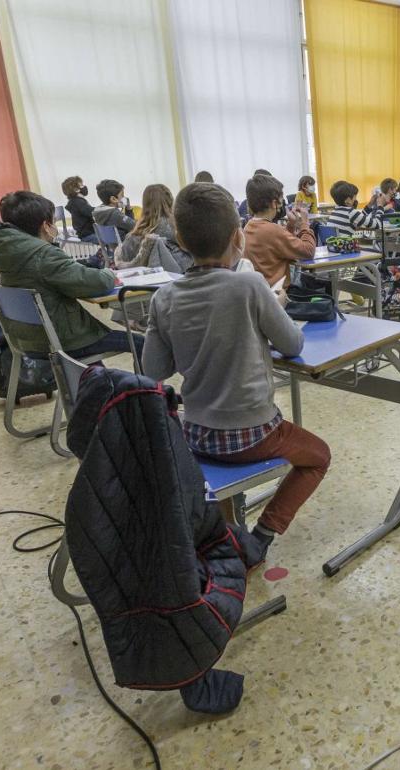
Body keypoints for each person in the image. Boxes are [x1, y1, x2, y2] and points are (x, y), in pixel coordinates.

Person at [142, 182, 330, 562]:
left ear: (179, 237)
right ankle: (261, 536)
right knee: (319, 456)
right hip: (253, 435)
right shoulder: (250, 285)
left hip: (194, 434)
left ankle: (226, 536)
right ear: (237, 238)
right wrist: (274, 303)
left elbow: (155, 370)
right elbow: (292, 344)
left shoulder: (164, 297)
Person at [0, 191, 144, 361]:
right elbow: (96, 283)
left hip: (27, 338)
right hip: (63, 339)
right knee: (142, 343)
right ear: (46, 225)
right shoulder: (42, 255)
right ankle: (149, 388)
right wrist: (108, 273)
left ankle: (93, 383)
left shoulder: (7, 251)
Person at [242, 173, 316, 288]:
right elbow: (308, 251)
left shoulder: (249, 226)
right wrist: (305, 223)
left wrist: (291, 226)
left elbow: (280, 245)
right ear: (274, 203)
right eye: (281, 201)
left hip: (263, 294)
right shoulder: (272, 230)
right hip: (278, 296)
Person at [115, 184, 191, 272]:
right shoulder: (177, 227)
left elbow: (124, 259)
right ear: (170, 201)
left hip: (142, 282)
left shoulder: (133, 235)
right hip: (179, 277)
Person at [61, 176, 97, 242]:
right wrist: (104, 209)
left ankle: (102, 251)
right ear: (76, 189)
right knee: (110, 240)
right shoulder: (78, 202)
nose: (84, 187)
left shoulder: (76, 201)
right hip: (88, 235)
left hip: (87, 233)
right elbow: (91, 212)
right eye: (81, 185)